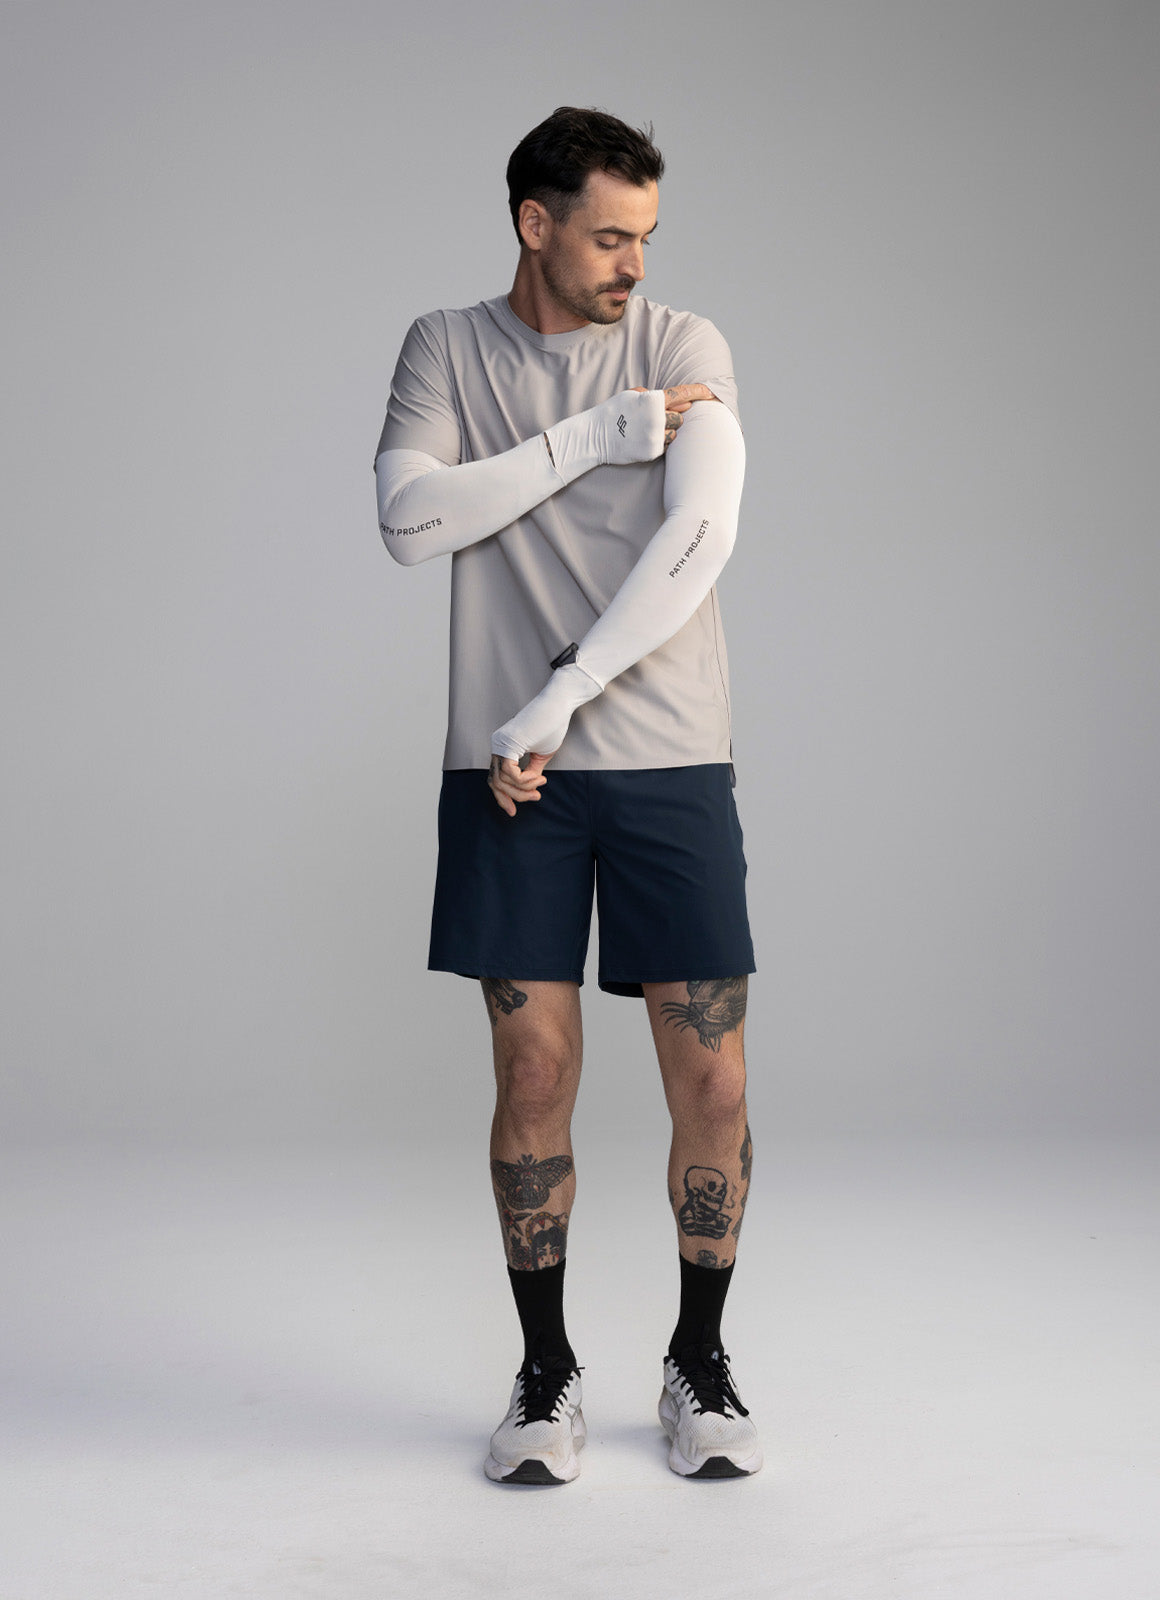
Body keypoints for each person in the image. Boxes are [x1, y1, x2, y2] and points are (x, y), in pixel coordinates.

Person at [374, 106, 761, 1483]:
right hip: (504, 784)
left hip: (660, 757)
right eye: (608, 237)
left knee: (711, 1073)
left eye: (646, 236)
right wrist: (590, 437)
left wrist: (554, 698)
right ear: (534, 224)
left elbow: (702, 531)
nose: (633, 264)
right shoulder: (447, 348)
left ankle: (699, 1359)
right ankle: (546, 1374)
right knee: (533, 1072)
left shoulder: (684, 346)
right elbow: (411, 523)